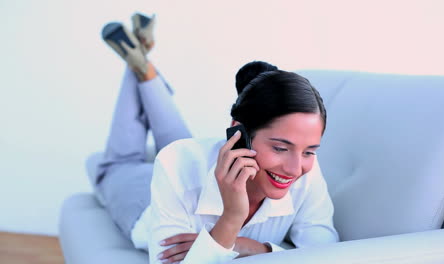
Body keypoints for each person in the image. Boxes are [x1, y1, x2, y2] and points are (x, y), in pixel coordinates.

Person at [96, 13, 339, 264]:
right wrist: (232, 216)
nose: (295, 168)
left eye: (309, 151)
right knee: (117, 165)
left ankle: (140, 63)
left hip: (198, 170)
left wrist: (248, 246)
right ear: (238, 132)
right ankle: (137, 65)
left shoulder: (303, 169)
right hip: (145, 204)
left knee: (177, 141)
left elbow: (326, 254)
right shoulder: (175, 163)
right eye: (280, 148)